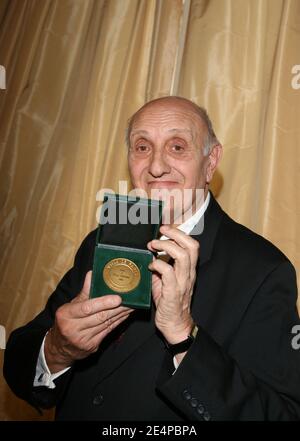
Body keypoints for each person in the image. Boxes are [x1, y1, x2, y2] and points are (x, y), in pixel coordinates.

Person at [4, 96, 300, 421]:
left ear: (211, 161)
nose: (156, 167)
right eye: (142, 147)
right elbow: (19, 360)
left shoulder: (262, 269)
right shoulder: (104, 238)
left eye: (177, 147)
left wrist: (184, 336)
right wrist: (58, 349)